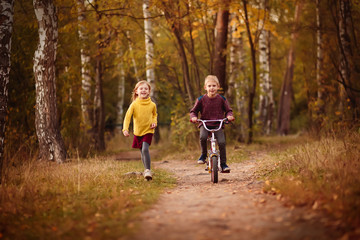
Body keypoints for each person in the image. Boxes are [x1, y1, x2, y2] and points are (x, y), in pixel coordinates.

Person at [190, 75, 235, 172]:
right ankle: (203, 155)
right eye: (209, 86)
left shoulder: (222, 99)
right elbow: (193, 111)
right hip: (205, 123)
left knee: (222, 142)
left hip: (218, 123)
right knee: (202, 137)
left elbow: (228, 110)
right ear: (205, 87)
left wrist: (229, 116)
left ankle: (223, 164)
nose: (212, 88)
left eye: (214, 86)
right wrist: (193, 117)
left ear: (218, 86)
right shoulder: (201, 99)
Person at [123, 80, 157, 180]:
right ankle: (146, 171)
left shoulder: (152, 105)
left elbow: (155, 115)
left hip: (148, 130)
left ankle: (147, 170)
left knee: (145, 149)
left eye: (146, 88)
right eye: (141, 88)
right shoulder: (134, 104)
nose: (143, 90)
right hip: (138, 131)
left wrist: (154, 122)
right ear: (136, 91)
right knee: (142, 152)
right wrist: (125, 129)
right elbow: (127, 117)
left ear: (149, 91)